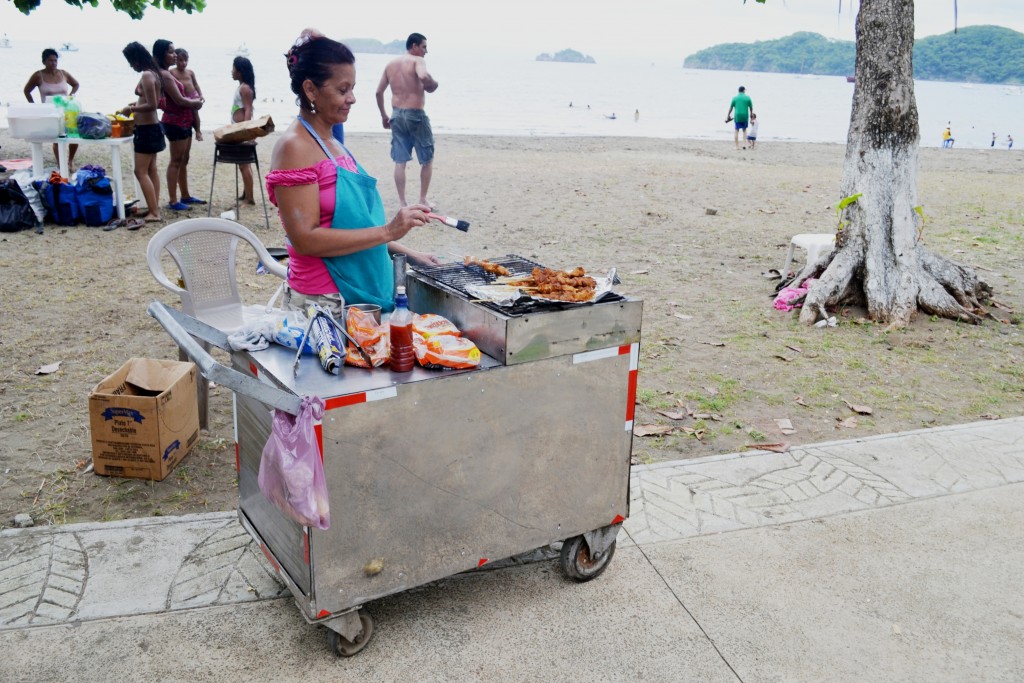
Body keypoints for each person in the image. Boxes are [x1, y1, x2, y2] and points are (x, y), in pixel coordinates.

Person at [267, 32, 440, 318]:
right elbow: (305, 240)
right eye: (342, 90)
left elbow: (354, 226)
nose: (352, 99)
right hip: (324, 303)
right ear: (310, 89)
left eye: (353, 88)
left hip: (361, 295)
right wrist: (389, 229)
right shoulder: (294, 147)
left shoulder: (334, 144)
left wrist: (412, 255)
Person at [375, 32, 439, 208]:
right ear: (414, 46)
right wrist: (434, 84)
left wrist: (384, 115)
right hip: (415, 115)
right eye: (424, 47)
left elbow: (378, 92)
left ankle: (403, 203)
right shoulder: (418, 60)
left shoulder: (390, 65)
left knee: (400, 161)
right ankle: (422, 199)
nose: (426, 51)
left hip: (396, 115)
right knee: (427, 159)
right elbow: (423, 76)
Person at [152, 39, 205, 211]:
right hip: (175, 122)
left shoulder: (167, 73)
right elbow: (179, 100)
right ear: (161, 54)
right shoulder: (166, 74)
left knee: (183, 160)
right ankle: (173, 201)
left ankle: (185, 195)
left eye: (175, 52)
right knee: (175, 161)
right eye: (171, 52)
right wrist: (196, 102)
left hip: (185, 120)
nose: (174, 55)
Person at [120, 42, 165, 226]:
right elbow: (148, 100)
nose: (131, 66)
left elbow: (153, 104)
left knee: (140, 171)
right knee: (151, 169)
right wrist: (136, 104)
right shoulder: (154, 73)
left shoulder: (147, 75)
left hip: (147, 129)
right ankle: (154, 207)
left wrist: (131, 109)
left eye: (131, 62)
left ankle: (154, 212)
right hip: (152, 128)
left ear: (137, 59)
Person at [23, 48, 80, 169]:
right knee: (57, 138)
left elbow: (76, 84)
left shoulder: (63, 73)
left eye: (55, 60)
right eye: (50, 60)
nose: (53, 63)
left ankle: (70, 161)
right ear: (44, 61)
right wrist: (33, 106)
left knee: (74, 136)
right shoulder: (38, 75)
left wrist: (71, 96)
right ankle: (60, 164)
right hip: (50, 112)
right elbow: (27, 90)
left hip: (67, 110)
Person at [229, 56, 257, 205]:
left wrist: (246, 132)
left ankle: (249, 197)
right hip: (238, 129)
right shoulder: (242, 87)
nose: (231, 71)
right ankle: (246, 193)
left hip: (242, 131)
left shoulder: (245, 88)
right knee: (243, 164)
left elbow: (248, 110)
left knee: (244, 165)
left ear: (239, 72)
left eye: (233, 69)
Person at [171, 48, 204, 142]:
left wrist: (201, 95)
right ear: (175, 60)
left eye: (186, 60)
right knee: (185, 114)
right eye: (181, 60)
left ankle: (198, 131)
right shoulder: (172, 72)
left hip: (193, 95)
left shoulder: (190, 72)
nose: (184, 63)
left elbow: (196, 85)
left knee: (195, 113)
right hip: (182, 97)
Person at [726, 86, 753, 150]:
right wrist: (751, 115)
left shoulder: (734, 98)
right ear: (744, 90)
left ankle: (737, 146)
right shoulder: (748, 98)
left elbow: (731, 108)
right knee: (744, 130)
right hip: (745, 115)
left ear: (738, 91)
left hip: (737, 116)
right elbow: (751, 108)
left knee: (736, 130)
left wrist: (728, 115)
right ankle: (744, 145)